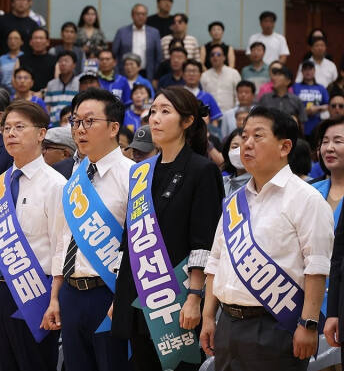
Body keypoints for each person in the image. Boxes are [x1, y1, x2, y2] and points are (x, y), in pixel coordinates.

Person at [201, 106, 333, 371]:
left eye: (257, 136)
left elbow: (316, 268)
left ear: (284, 147)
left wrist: (308, 324)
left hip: (276, 325)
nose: (246, 144)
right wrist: (208, 317)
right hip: (227, 323)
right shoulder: (234, 202)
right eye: (244, 135)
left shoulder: (307, 199)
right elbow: (216, 260)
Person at [113, 86, 223, 371]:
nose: (155, 119)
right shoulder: (140, 171)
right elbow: (130, 239)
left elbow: (205, 243)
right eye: (152, 112)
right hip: (137, 295)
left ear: (187, 121)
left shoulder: (203, 170)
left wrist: (195, 298)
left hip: (176, 299)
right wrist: (120, 296)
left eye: (165, 111)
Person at [46, 88, 133, 371]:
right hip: (71, 294)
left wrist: (122, 299)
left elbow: (137, 245)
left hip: (108, 294)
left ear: (114, 127)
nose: (79, 130)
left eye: (89, 121)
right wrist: (55, 296)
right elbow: (64, 239)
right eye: (75, 122)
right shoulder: (75, 175)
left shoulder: (134, 176)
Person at [0, 100, 64, 370]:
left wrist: (56, 297)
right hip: (0, 289)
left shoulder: (56, 184)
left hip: (36, 289)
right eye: (7, 128)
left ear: (41, 134)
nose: (10, 133)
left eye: (19, 127)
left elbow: (61, 244)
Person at [321, 119, 344, 364]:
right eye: (325, 142)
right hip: (309, 301)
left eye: (338, 141)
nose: (329, 147)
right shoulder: (308, 192)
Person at [112, 3, 162, 81]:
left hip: (147, 74)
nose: (140, 17)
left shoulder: (154, 33)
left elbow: (158, 57)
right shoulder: (122, 32)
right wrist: (117, 73)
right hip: (125, 73)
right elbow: (114, 54)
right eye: (138, 14)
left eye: (143, 14)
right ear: (132, 15)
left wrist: (155, 77)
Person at [292, 60, 330, 137]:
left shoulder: (321, 88)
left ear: (314, 71)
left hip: (318, 125)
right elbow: (291, 105)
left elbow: (329, 105)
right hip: (300, 126)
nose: (308, 71)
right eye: (305, 69)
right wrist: (304, 111)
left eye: (310, 69)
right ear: (302, 72)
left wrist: (317, 108)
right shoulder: (295, 87)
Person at [201, 44, 241, 112]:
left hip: (230, 114)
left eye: (218, 54)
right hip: (211, 116)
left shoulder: (234, 73)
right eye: (212, 55)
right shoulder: (204, 75)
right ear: (210, 58)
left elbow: (238, 96)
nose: (215, 57)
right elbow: (203, 98)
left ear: (224, 57)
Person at [45, 50, 79, 126]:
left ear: (74, 65)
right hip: (54, 125)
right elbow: (47, 107)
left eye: (66, 61)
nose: (63, 63)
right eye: (60, 61)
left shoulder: (79, 83)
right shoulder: (51, 84)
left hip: (73, 125)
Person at [17, 27, 56, 93]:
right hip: (25, 97)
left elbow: (56, 82)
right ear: (30, 42)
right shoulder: (21, 59)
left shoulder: (55, 60)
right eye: (35, 38)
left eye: (41, 38)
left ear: (47, 42)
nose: (38, 41)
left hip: (47, 96)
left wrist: (42, 93)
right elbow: (15, 80)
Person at [221, 128, 250, 196]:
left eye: (246, 147)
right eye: (235, 147)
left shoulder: (259, 185)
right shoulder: (222, 182)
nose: (239, 152)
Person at [0, 29, 24, 94]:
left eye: (16, 38)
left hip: (21, 93)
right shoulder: (1, 59)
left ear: (22, 41)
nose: (12, 41)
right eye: (10, 39)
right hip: (4, 93)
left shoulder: (25, 58)